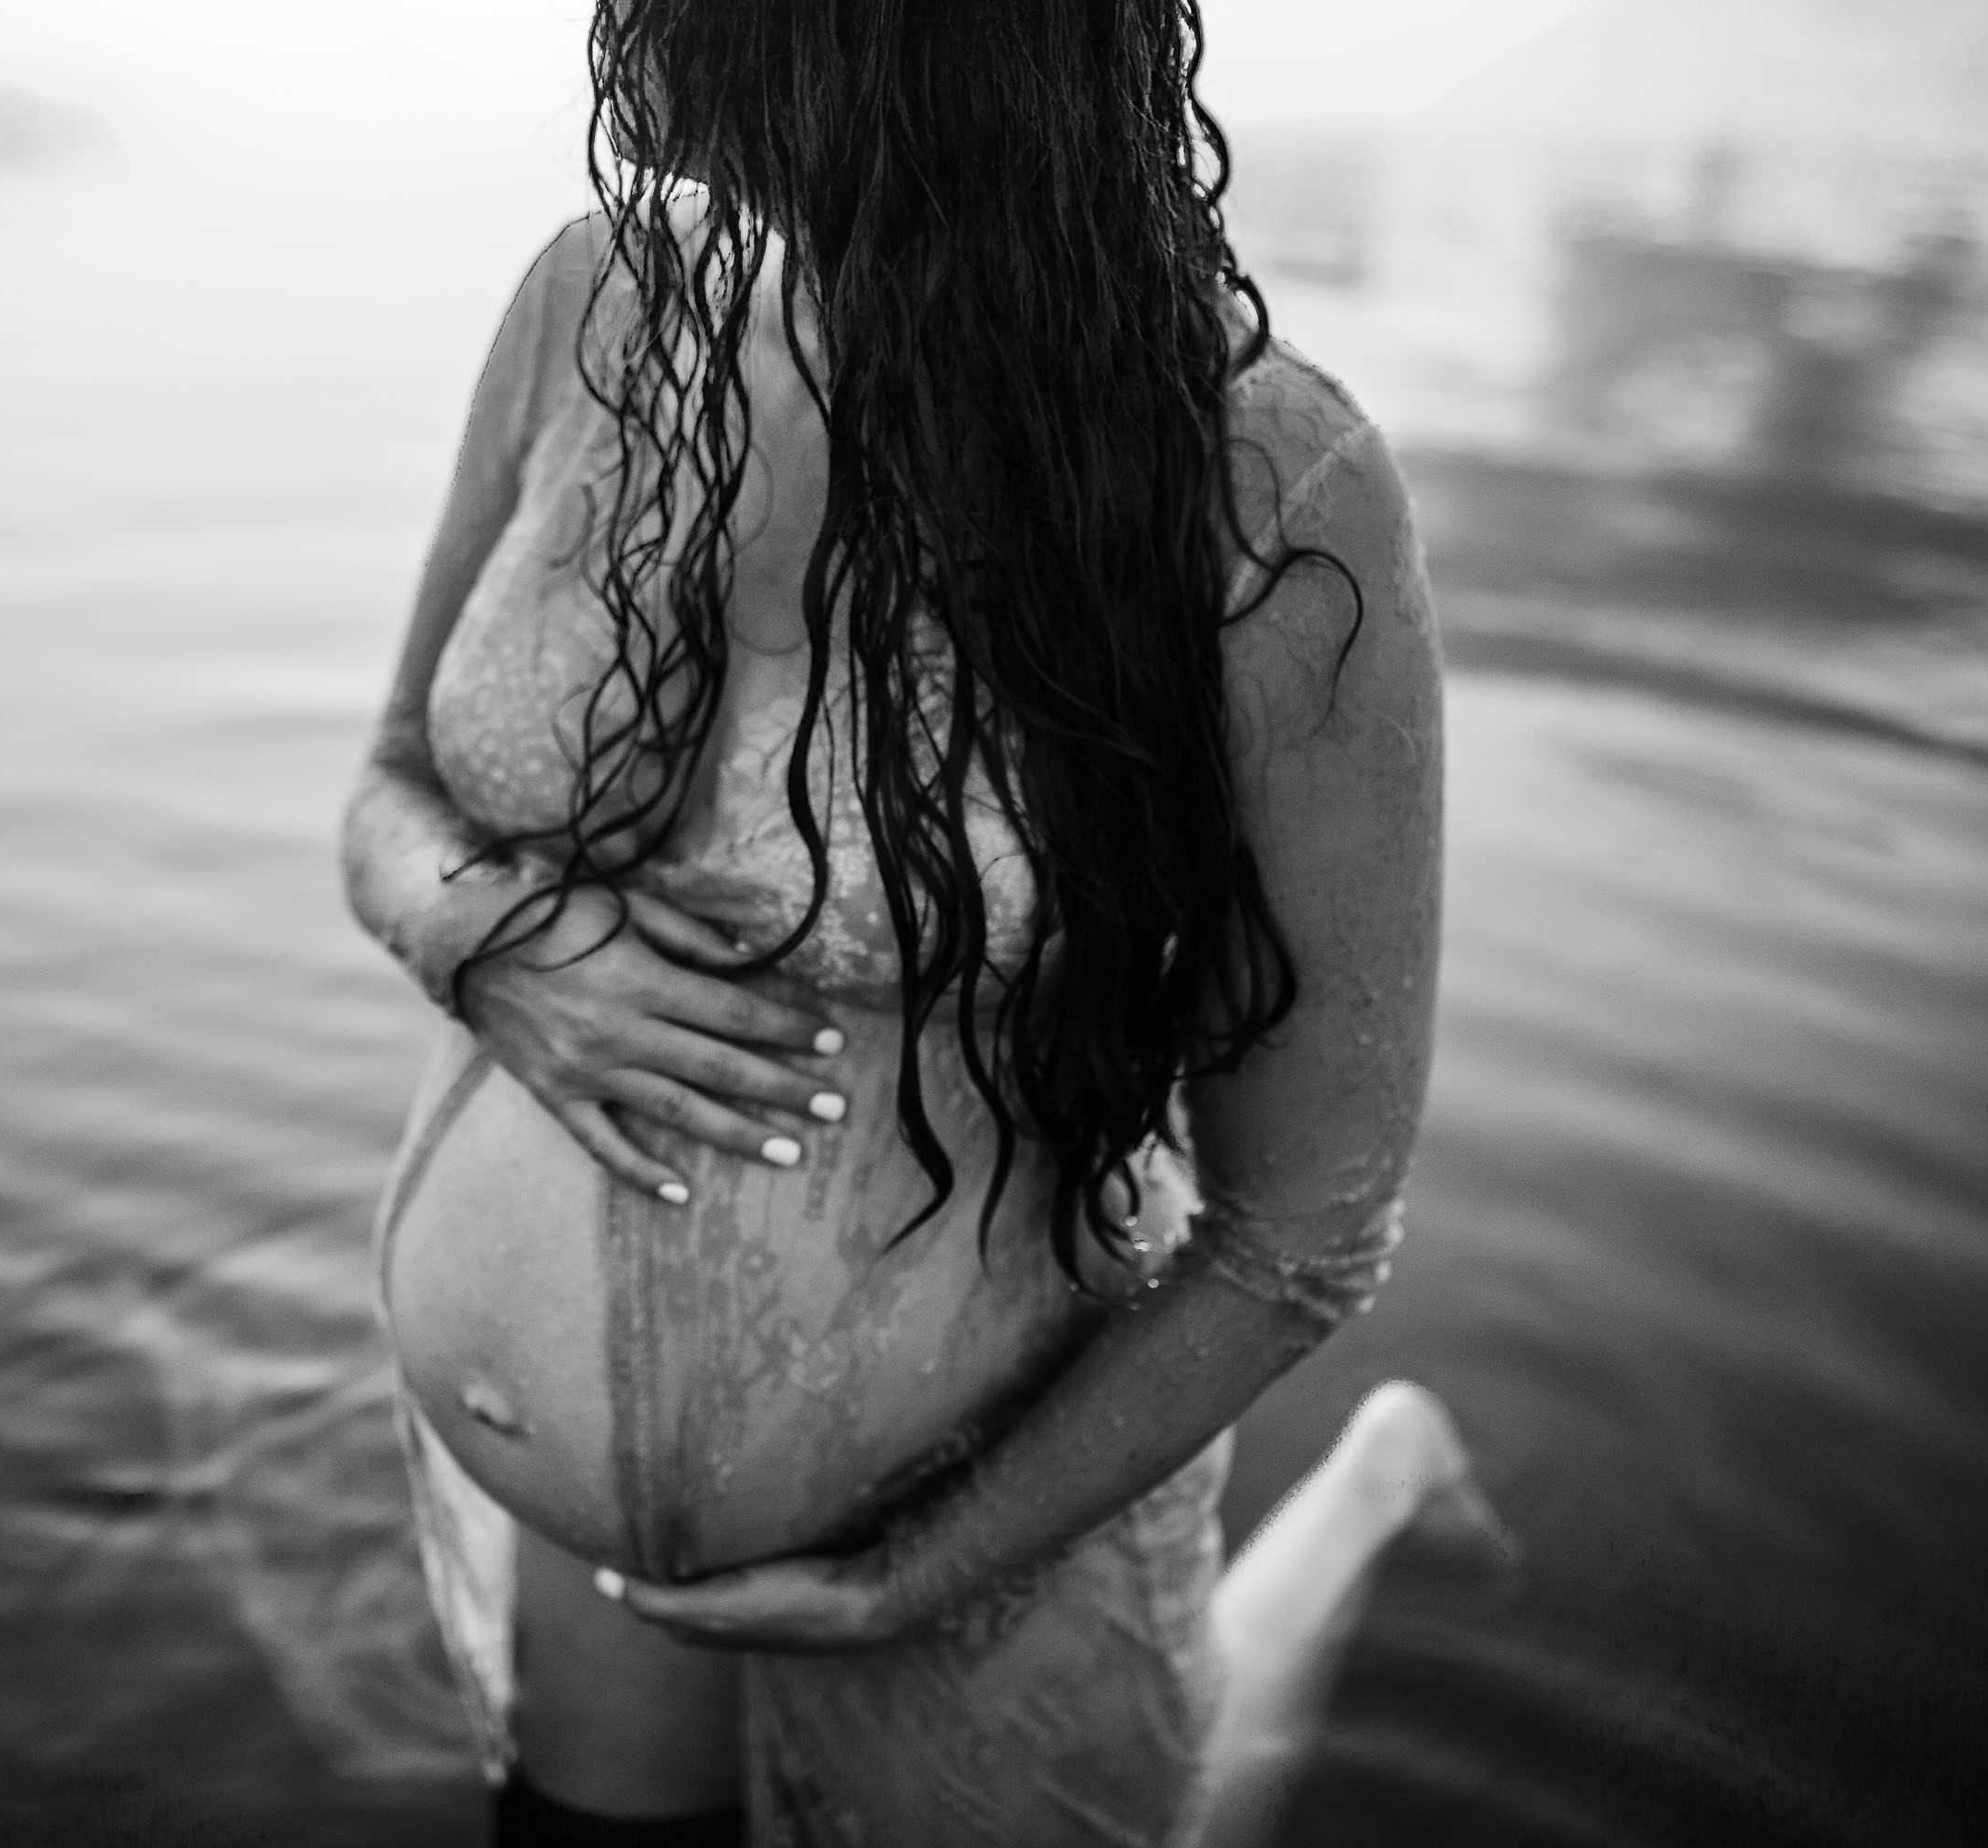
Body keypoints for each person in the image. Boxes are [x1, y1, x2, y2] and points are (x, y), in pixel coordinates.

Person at [341, 2, 1456, 1841]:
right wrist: (491, 939)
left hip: (989, 1527)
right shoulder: (603, 300)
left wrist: (911, 1576)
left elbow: (1311, 1225)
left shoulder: (1263, 486)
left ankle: (1376, 1492)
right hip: (595, 1568)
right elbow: (392, 784)